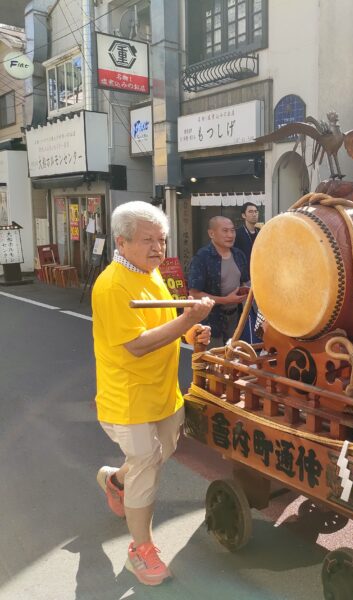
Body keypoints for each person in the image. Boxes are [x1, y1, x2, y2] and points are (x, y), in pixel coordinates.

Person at [92, 200, 214, 586]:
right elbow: (137, 345)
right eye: (147, 241)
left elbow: (165, 324)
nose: (157, 249)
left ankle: (116, 481)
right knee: (147, 462)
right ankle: (140, 550)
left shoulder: (154, 275)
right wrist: (187, 320)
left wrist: (193, 331)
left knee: (162, 453)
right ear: (122, 241)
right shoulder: (113, 285)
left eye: (161, 240)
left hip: (163, 393)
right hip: (128, 398)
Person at [188, 216, 250, 348]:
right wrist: (226, 300)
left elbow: (245, 282)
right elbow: (194, 294)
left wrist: (245, 290)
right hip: (210, 320)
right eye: (225, 231)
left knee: (234, 359)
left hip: (236, 318)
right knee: (214, 362)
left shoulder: (239, 255)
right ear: (211, 233)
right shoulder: (202, 258)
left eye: (232, 231)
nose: (230, 235)